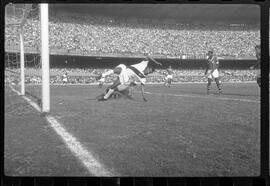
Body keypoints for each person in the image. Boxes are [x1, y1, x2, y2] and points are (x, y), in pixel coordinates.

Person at [96, 56, 162, 101]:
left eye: (150, 71)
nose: (149, 71)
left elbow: (142, 88)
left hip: (125, 76)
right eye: (150, 69)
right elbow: (148, 56)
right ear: (149, 67)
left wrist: (144, 97)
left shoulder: (143, 77)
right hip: (125, 68)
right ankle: (103, 75)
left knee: (113, 86)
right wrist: (156, 62)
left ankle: (105, 97)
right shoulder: (144, 64)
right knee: (119, 68)